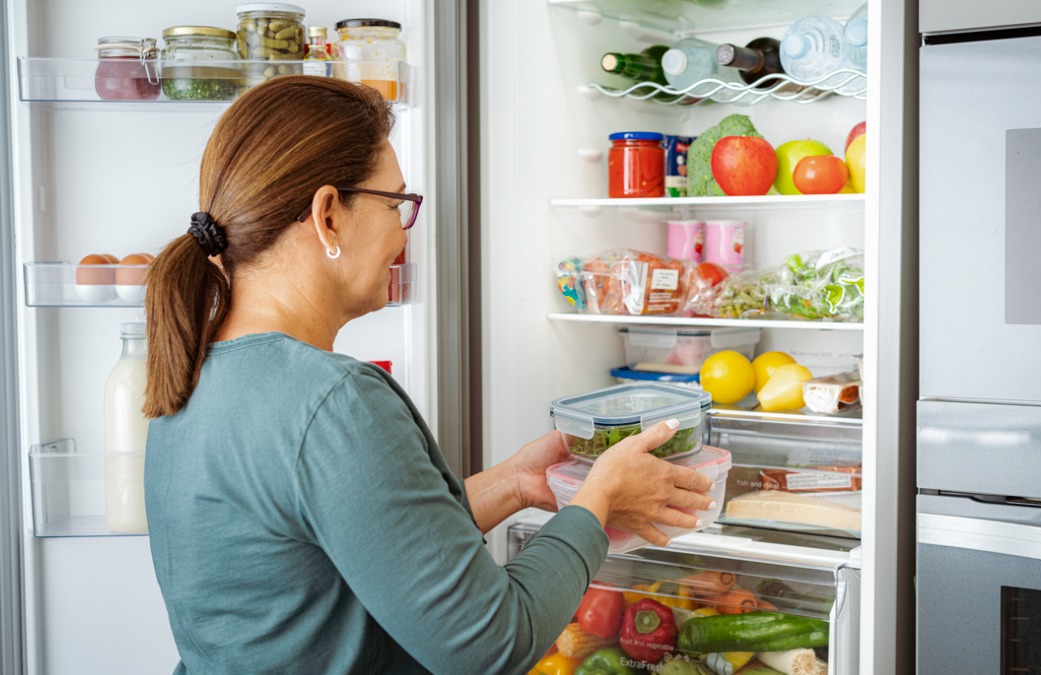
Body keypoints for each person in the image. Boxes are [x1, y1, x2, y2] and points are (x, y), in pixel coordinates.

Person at [140, 75, 715, 675]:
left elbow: (365, 550)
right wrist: (597, 502)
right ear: (328, 215)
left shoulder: (191, 372)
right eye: (395, 204)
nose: (401, 233)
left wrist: (514, 484)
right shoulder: (332, 401)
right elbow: (493, 644)